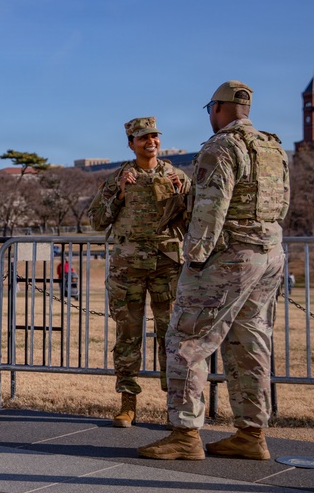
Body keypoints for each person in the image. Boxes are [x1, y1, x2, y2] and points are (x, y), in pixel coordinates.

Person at [139, 80, 289, 461]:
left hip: (228, 257)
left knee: (185, 341)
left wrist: (195, 257)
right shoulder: (272, 146)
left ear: (218, 109)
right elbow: (281, 204)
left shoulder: (222, 146)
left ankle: (185, 434)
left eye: (209, 109)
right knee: (249, 342)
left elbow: (211, 207)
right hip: (268, 253)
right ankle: (251, 434)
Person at [89, 117, 191, 428]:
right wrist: (119, 194)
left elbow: (195, 221)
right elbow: (96, 220)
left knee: (170, 336)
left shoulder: (178, 177)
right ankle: (127, 403)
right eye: (143, 137)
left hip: (166, 266)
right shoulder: (120, 177)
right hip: (128, 268)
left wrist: (181, 196)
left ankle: (174, 406)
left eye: (155, 136)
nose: (151, 141)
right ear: (131, 143)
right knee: (128, 335)